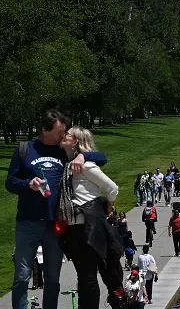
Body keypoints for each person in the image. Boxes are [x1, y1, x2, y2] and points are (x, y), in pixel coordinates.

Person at [5, 110, 107, 309]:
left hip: (56, 223)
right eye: (60, 131)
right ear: (45, 129)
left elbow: (102, 158)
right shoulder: (25, 149)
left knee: (53, 278)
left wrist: (82, 157)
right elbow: (10, 182)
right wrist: (28, 184)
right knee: (22, 276)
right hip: (28, 221)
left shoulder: (63, 151)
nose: (63, 135)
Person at [57, 127, 124, 309]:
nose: (64, 136)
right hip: (74, 227)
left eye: (68, 135)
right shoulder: (69, 163)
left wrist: (109, 206)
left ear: (76, 141)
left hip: (88, 227)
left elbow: (112, 187)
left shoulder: (84, 166)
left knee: (87, 277)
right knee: (84, 276)